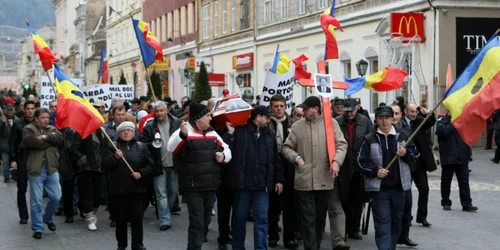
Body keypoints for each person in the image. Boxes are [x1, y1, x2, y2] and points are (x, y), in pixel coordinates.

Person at [282, 96, 348, 250]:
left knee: (319, 219)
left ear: (316, 109)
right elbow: (286, 147)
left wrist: (337, 162)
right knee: (307, 219)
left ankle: (315, 246)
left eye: (306, 109)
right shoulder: (297, 126)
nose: (303, 111)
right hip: (304, 180)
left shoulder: (331, 124)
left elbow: (341, 145)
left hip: (324, 179)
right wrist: (297, 159)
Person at [167, 102, 232, 250]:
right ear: (198, 118)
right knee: (196, 222)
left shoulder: (212, 133)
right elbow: (171, 147)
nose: (210, 119)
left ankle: (198, 242)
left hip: (210, 185)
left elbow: (227, 150)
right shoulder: (184, 131)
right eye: (208, 115)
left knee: (205, 221)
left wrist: (223, 156)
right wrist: (182, 135)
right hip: (193, 186)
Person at [223, 105, 285, 250]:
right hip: (242, 185)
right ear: (258, 117)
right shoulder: (240, 131)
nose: (269, 120)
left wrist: (279, 179)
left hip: (262, 186)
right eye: (267, 117)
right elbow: (227, 150)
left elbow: (275, 159)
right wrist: (230, 135)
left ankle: (261, 248)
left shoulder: (269, 134)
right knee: (239, 219)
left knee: (262, 220)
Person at [358, 106, 419, 250]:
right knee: (383, 224)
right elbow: (361, 161)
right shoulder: (370, 138)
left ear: (393, 119)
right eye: (380, 118)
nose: (384, 121)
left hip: (399, 188)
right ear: (376, 120)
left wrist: (406, 155)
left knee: (397, 223)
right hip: (379, 190)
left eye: (387, 118)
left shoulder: (403, 137)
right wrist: (375, 171)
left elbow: (415, 157)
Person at [102, 121, 153, 250]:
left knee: (137, 219)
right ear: (119, 133)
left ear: (133, 132)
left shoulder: (141, 147)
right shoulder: (113, 146)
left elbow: (150, 165)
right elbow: (104, 165)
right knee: (121, 220)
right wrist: (115, 157)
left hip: (137, 190)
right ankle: (121, 245)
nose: (126, 132)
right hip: (118, 190)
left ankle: (137, 245)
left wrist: (141, 173)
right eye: (124, 131)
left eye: (129, 130)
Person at [335, 99, 372, 247]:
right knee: (343, 198)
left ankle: (354, 229)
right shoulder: (337, 121)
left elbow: (370, 140)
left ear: (357, 109)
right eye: (346, 110)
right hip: (342, 165)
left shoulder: (365, 121)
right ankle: (342, 229)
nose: (349, 113)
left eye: (352, 110)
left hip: (359, 165)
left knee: (357, 199)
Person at [22, 107, 63, 239]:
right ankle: (38, 228)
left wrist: (45, 137)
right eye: (43, 117)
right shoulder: (28, 129)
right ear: (36, 118)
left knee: (56, 197)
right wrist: (50, 142)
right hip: (36, 170)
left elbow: (60, 140)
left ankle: (47, 218)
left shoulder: (52, 129)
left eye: (47, 117)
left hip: (52, 169)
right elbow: (31, 142)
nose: (46, 120)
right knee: (36, 201)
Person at [141, 101, 181, 231]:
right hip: (158, 164)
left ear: (167, 110)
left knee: (173, 191)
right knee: (161, 194)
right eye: (156, 111)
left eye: (161, 111)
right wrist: (152, 144)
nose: (159, 113)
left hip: (174, 163)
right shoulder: (150, 126)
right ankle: (165, 220)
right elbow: (144, 144)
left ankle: (164, 210)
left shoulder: (177, 123)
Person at [266, 95, 298, 249]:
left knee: (290, 206)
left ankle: (289, 238)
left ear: (286, 107)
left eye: (281, 106)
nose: (279, 109)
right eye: (276, 106)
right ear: (271, 107)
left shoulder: (294, 123)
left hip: (290, 167)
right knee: (273, 205)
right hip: (271, 168)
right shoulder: (266, 123)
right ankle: (272, 236)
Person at [402, 103, 436, 227]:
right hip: (406, 162)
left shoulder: (419, 121)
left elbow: (431, 122)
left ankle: (422, 217)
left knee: (424, 189)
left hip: (419, 162)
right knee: (406, 192)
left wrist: (429, 113)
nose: (414, 114)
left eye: (416, 112)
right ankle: (407, 217)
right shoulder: (401, 123)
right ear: (405, 111)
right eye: (411, 112)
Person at [67, 127, 107, 231]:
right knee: (87, 193)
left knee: (99, 194)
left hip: (100, 168)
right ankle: (89, 218)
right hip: (86, 168)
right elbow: (73, 148)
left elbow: (106, 148)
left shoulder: (102, 131)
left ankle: (93, 212)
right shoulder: (81, 131)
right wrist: (82, 158)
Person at [436, 112, 478, 212]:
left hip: (462, 157)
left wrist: (468, 155)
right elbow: (444, 132)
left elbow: (468, 139)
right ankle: (446, 202)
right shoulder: (441, 122)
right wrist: (455, 122)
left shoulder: (463, 122)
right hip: (448, 158)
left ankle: (466, 203)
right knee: (446, 182)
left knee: (464, 182)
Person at [391, 105, 418, 247]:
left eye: (396, 113)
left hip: (404, 174)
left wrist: (406, 154)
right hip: (388, 176)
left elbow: (413, 153)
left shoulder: (405, 130)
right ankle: (391, 237)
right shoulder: (379, 129)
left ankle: (404, 236)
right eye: (392, 113)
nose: (394, 116)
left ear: (401, 114)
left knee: (407, 206)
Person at [9, 100, 36, 224]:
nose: (30, 111)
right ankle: (23, 215)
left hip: (36, 159)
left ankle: (36, 214)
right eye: (28, 108)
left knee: (37, 189)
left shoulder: (38, 123)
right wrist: (13, 159)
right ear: (24, 110)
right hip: (22, 159)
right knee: (22, 188)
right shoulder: (18, 123)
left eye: (32, 108)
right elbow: (12, 141)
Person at [0, 104, 18, 183]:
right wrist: (3, 124)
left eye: (11, 110)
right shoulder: (1, 120)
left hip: (14, 146)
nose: (10, 112)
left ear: (14, 111)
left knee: (14, 161)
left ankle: (14, 175)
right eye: (8, 110)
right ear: (5, 111)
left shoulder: (17, 120)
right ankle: (6, 176)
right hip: (5, 146)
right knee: (5, 162)